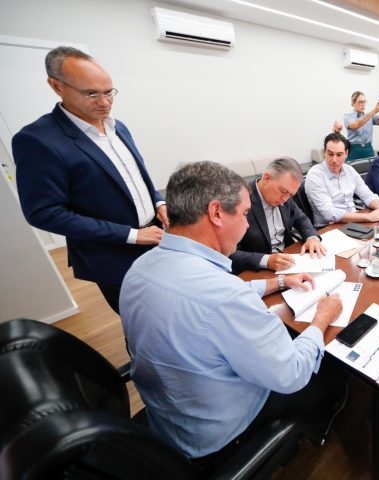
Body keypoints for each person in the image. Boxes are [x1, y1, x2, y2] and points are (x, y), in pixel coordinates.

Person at [120, 161, 345, 470]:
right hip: (219, 434)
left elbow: (208, 298)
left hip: (168, 417)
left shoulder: (139, 268)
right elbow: (292, 373)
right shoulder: (226, 297)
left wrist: (279, 282)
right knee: (332, 369)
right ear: (216, 213)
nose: (247, 226)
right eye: (243, 214)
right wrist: (322, 318)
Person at [12, 46, 166, 314]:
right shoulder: (37, 140)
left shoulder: (118, 126)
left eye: (109, 92)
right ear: (57, 86)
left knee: (174, 312)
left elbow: (134, 179)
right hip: (114, 256)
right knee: (145, 323)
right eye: (92, 94)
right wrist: (132, 235)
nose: (105, 102)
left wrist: (158, 203)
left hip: (156, 238)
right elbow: (44, 213)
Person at [229, 157, 325, 274]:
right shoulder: (240, 201)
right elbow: (228, 252)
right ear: (267, 178)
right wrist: (266, 260)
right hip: (257, 270)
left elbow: (301, 218)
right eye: (283, 192)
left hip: (289, 259)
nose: (285, 199)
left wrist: (312, 237)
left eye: (290, 195)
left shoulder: (285, 195)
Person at [305, 133, 379, 227]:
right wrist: (368, 217)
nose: (334, 160)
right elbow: (329, 214)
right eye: (330, 154)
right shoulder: (315, 175)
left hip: (354, 221)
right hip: (329, 227)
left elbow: (367, 195)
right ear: (324, 152)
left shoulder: (349, 170)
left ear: (346, 153)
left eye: (339, 155)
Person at [344, 91, 379, 161]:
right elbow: (357, 124)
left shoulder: (370, 116)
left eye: (364, 102)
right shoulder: (348, 117)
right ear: (353, 103)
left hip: (368, 149)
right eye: (360, 102)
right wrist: (375, 110)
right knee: (352, 167)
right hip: (354, 150)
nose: (363, 104)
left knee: (372, 168)